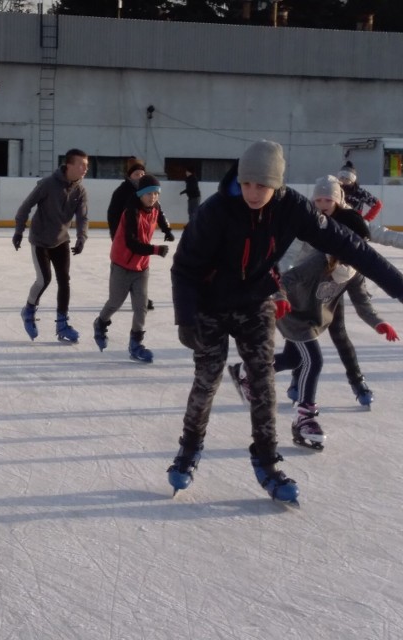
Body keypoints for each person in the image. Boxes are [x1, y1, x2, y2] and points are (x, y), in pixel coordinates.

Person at [166, 140, 403, 504]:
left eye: (262, 185)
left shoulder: (294, 208)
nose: (252, 192)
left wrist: (398, 287)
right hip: (209, 304)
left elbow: (351, 246)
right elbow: (184, 267)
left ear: (277, 184)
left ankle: (266, 460)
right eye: (247, 184)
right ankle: (189, 449)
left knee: (262, 382)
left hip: (255, 300)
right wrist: (185, 318)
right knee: (207, 378)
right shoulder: (215, 212)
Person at [230, 209, 399, 451]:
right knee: (314, 360)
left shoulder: (353, 271)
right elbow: (287, 279)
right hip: (293, 315)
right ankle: (305, 418)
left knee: (293, 358)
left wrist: (378, 322)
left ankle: (247, 371)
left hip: (312, 320)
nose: (357, 250)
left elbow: (362, 303)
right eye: (354, 243)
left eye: (362, 245)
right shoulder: (319, 261)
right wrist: (279, 298)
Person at [279, 176, 379, 406]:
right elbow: (289, 253)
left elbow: (379, 234)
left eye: (328, 199)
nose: (323, 204)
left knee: (340, 334)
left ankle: (357, 381)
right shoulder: (308, 221)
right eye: (318, 199)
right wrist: (286, 280)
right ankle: (296, 381)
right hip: (305, 286)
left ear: (337, 200)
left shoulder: (349, 220)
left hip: (334, 284)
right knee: (298, 338)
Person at [93, 174, 174, 363]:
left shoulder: (155, 207)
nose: (152, 197)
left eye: (156, 194)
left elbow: (160, 216)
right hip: (122, 263)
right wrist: (156, 249)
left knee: (141, 307)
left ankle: (136, 344)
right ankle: (101, 323)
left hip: (141, 266)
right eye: (148, 194)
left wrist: (167, 230)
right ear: (140, 194)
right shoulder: (131, 211)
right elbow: (131, 243)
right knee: (115, 302)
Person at [13, 148, 89, 343]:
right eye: (81, 165)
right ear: (69, 165)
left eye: (86, 166)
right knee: (44, 279)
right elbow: (25, 206)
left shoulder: (79, 189)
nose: (84, 169)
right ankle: (29, 310)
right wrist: (19, 231)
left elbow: (83, 217)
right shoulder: (48, 184)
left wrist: (82, 238)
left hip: (61, 240)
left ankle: (62, 324)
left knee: (64, 281)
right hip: (40, 240)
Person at [106, 157, 165, 310]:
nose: (140, 176)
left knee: (139, 266)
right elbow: (112, 214)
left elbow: (157, 210)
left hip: (141, 237)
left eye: (142, 173)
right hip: (124, 235)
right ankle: (121, 296)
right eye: (137, 174)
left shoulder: (148, 192)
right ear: (130, 176)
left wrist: (166, 228)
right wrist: (115, 234)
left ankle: (140, 298)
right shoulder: (122, 191)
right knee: (124, 266)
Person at [338, 160, 403, 250]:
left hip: (356, 224)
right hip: (338, 223)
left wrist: (366, 219)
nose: (344, 181)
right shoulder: (335, 190)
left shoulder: (360, 192)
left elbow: (377, 204)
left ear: (352, 180)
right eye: (342, 178)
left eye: (347, 179)